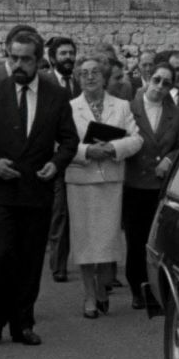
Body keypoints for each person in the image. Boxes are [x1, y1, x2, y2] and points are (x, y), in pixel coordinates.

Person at [0, 29, 79, 346]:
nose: (18, 64)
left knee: (30, 259)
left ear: (38, 60)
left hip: (37, 190)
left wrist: (56, 164)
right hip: (2, 189)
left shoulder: (55, 95)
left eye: (25, 59)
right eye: (13, 57)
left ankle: (22, 324)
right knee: (1, 254)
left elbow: (69, 140)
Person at [67, 55, 144, 317]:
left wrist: (113, 147)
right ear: (78, 78)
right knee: (85, 240)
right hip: (81, 179)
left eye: (95, 73)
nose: (90, 77)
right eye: (84, 73)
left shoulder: (121, 106)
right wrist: (87, 151)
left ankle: (103, 286)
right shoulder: (69, 107)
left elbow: (136, 139)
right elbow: (60, 144)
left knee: (107, 239)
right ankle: (89, 294)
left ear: (104, 77)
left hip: (111, 179)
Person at [124, 61, 179, 311]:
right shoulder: (130, 108)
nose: (160, 87)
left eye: (166, 83)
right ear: (147, 79)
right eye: (157, 80)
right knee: (136, 239)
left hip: (159, 186)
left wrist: (169, 160)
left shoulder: (176, 111)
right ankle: (137, 287)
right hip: (135, 182)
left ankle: (156, 289)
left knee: (156, 240)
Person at [45, 36, 81, 284]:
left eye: (71, 53)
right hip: (51, 157)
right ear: (52, 57)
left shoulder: (80, 83)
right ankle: (58, 265)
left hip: (78, 155)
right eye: (63, 54)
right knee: (59, 213)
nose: (68, 58)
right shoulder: (44, 82)